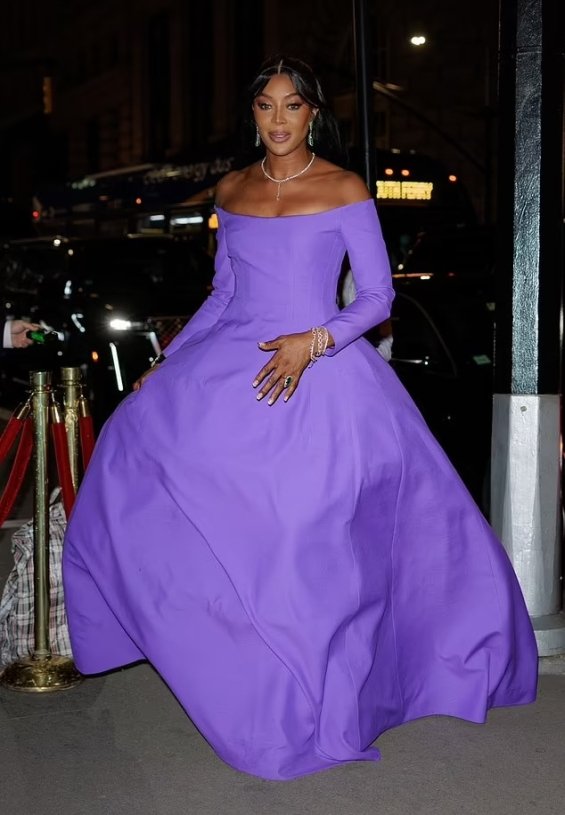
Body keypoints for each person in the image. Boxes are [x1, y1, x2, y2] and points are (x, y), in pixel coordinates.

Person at [63, 57, 537, 782]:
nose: (277, 119)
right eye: (264, 105)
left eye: (291, 106)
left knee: (301, 539)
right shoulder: (232, 188)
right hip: (230, 362)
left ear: (313, 113)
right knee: (137, 449)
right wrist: (169, 360)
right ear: (251, 114)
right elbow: (225, 294)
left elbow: (376, 299)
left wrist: (312, 342)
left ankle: (321, 687)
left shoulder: (343, 188)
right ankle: (219, 649)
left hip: (323, 373)